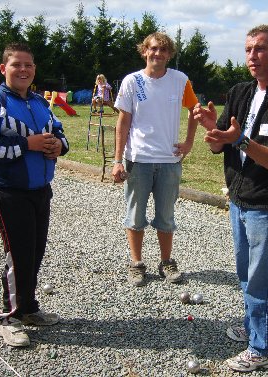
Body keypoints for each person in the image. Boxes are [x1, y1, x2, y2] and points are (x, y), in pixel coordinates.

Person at [193, 25, 268, 372]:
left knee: (263, 278)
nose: (252, 56)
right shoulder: (240, 92)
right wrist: (213, 132)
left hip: (266, 205)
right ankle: (253, 327)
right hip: (238, 199)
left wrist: (240, 139)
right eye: (248, 50)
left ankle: (263, 348)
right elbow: (220, 144)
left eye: (260, 49)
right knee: (247, 274)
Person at [0, 42, 69, 347]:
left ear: (34, 69)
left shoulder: (40, 103)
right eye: (16, 65)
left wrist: (57, 147)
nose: (23, 70)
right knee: (18, 255)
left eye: (28, 65)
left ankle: (28, 309)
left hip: (41, 190)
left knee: (35, 252)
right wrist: (29, 145)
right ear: (4, 69)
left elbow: (59, 133)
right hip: (9, 192)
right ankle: (8, 317)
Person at [112, 32, 199, 287]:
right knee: (135, 215)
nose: (157, 54)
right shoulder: (132, 81)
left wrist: (189, 142)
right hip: (138, 159)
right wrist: (118, 160)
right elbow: (123, 121)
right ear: (144, 51)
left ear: (169, 54)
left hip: (169, 160)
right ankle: (137, 263)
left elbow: (195, 111)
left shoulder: (179, 80)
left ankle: (167, 262)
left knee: (166, 216)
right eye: (152, 49)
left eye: (163, 50)